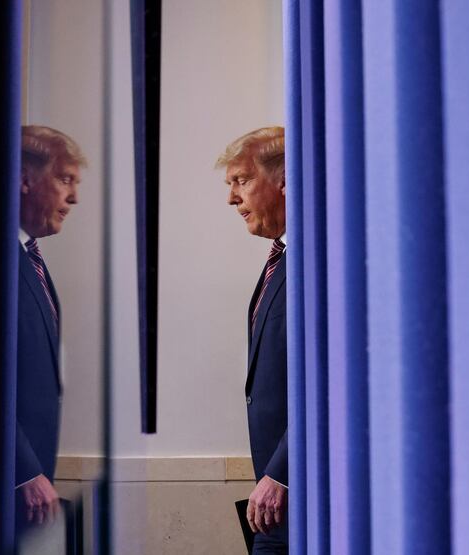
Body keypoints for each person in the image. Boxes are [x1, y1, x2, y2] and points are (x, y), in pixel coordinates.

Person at [216, 126, 288, 554]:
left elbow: (335, 383)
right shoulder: (280, 262)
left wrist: (283, 474)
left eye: (241, 180)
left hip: (303, 489)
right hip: (277, 497)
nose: (231, 198)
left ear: (284, 180)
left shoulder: (323, 260)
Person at [16, 125, 85, 535]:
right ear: (25, 180)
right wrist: (22, 473)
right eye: (65, 180)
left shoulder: (28, 257)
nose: (73, 198)